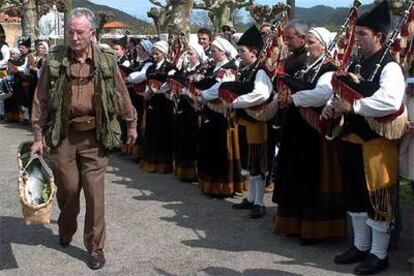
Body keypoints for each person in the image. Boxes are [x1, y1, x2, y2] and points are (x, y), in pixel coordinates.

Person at [30, 7, 138, 270]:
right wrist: (37, 135)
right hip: (63, 136)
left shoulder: (106, 60)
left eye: (80, 32)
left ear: (92, 33)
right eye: (71, 32)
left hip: (95, 137)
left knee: (94, 194)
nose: (74, 37)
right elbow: (40, 99)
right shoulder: (54, 60)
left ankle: (95, 247)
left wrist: (131, 123)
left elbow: (121, 93)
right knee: (68, 190)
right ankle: (67, 226)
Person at [322, 2, 405, 274]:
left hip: (376, 144)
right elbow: (343, 93)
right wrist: (334, 106)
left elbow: (390, 101)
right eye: (356, 34)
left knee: (376, 197)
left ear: (379, 36)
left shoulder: (390, 68)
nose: (356, 39)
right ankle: (360, 246)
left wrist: (354, 106)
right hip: (351, 139)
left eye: (362, 34)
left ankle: (378, 254)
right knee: (355, 195)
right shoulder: (357, 62)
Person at [273, 26, 347, 244]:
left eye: (311, 41)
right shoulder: (306, 66)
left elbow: (322, 94)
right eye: (306, 40)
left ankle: (315, 228)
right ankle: (294, 223)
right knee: (295, 176)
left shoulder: (329, 68)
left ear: (323, 45)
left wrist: (294, 98)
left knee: (311, 178)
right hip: (297, 131)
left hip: (314, 133)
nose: (307, 44)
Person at [228, 25, 273, 218]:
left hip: (256, 123)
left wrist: (236, 102)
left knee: (257, 163)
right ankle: (250, 198)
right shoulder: (247, 70)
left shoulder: (260, 71)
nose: (239, 55)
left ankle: (258, 202)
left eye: (242, 51)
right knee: (249, 162)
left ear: (254, 52)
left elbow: (261, 94)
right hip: (246, 122)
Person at [193, 36, 245, 196]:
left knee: (221, 148)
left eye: (215, 51)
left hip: (221, 113)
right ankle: (209, 182)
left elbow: (221, 88)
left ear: (222, 52)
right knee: (210, 146)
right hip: (211, 110)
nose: (212, 53)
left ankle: (223, 185)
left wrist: (203, 95)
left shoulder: (229, 69)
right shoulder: (215, 67)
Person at [170, 42, 206, 181]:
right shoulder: (185, 69)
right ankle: (182, 170)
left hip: (193, 109)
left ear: (198, 55)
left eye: (191, 54)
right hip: (183, 107)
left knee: (192, 139)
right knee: (182, 137)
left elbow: (199, 89)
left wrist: (188, 91)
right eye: (188, 54)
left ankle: (193, 172)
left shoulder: (201, 69)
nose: (188, 56)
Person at [140, 40, 175, 173]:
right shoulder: (150, 67)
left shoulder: (170, 67)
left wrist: (157, 90)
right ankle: (150, 161)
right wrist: (148, 91)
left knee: (162, 131)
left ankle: (163, 164)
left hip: (164, 103)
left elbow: (168, 84)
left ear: (163, 53)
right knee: (152, 129)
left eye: (157, 54)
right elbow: (147, 82)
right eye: (153, 54)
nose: (154, 56)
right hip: (152, 101)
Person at [0, 23, 10, 120]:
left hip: (1, 72)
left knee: (1, 94)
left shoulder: (4, 47)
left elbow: (6, 60)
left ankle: (1, 113)